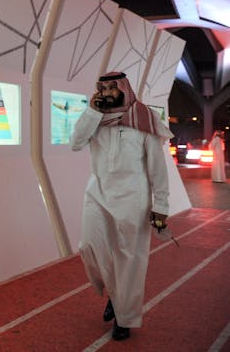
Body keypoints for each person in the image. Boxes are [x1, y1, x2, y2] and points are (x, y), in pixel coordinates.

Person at [71, 71, 173, 341]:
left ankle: (124, 316)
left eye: (110, 88)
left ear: (124, 89)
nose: (105, 93)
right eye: (101, 88)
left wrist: (160, 204)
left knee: (129, 260)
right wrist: (92, 112)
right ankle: (115, 295)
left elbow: (157, 168)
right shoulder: (96, 118)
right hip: (97, 193)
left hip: (133, 199)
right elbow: (75, 142)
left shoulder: (144, 118)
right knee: (89, 247)